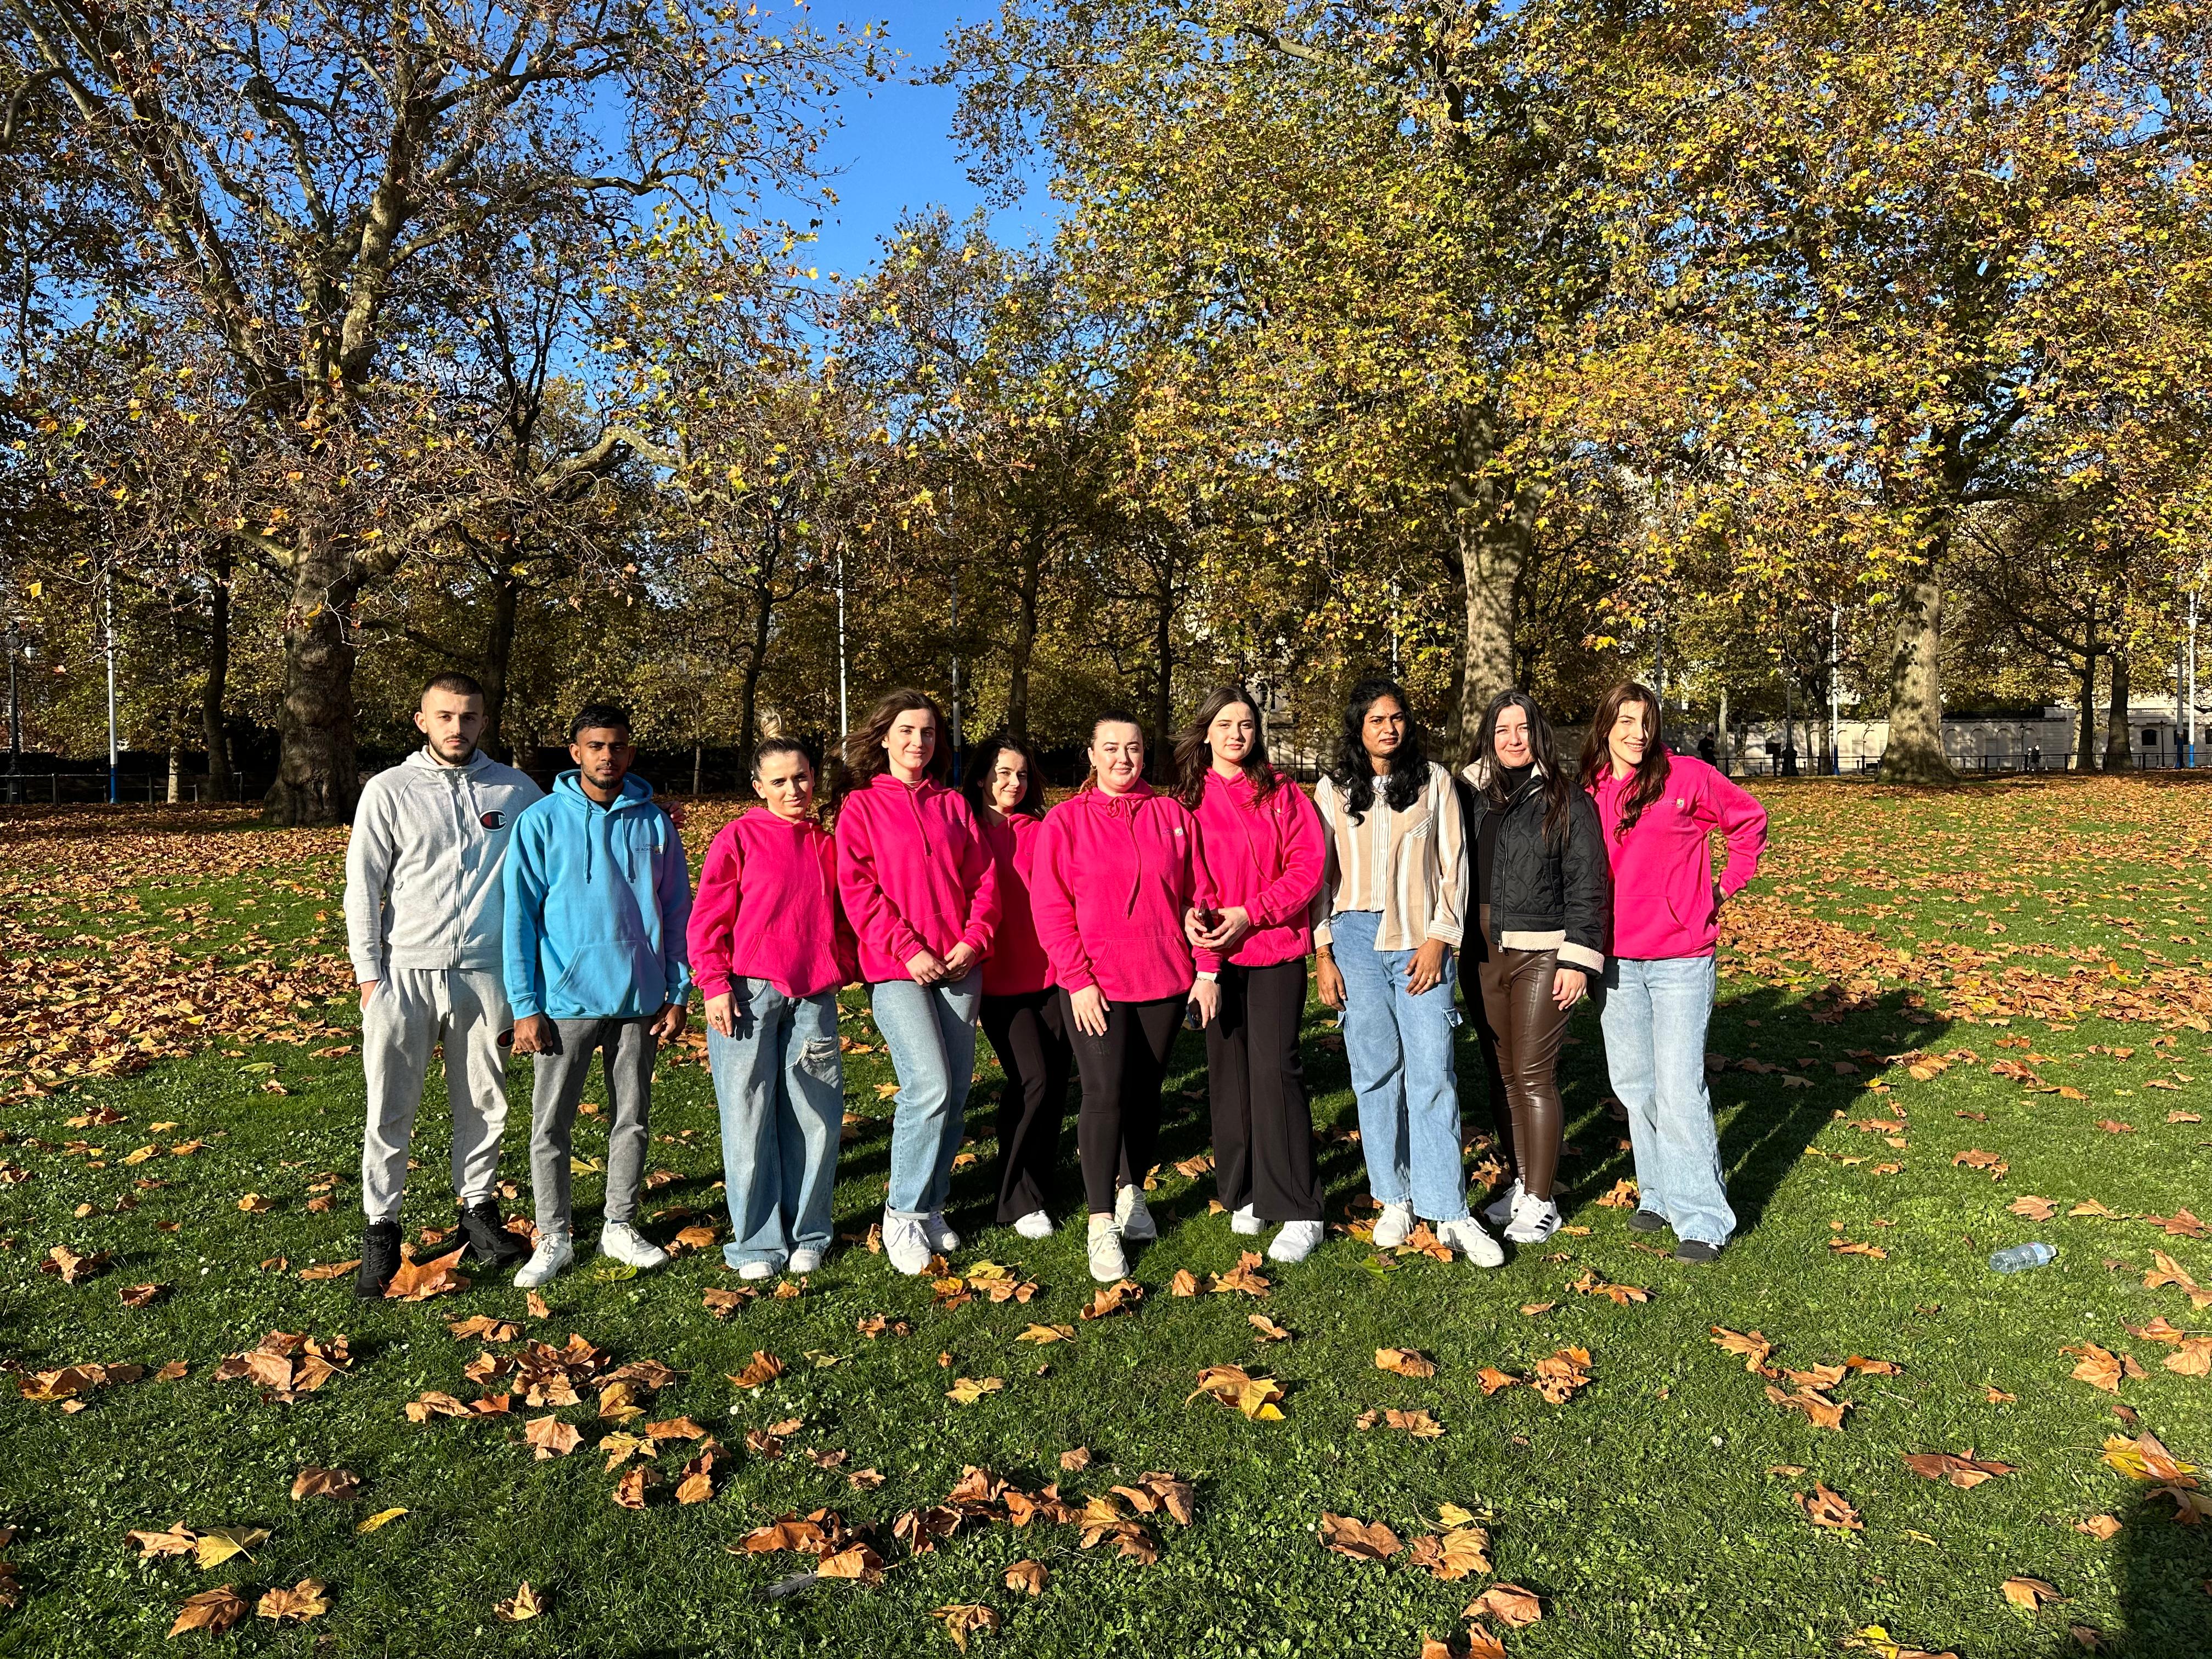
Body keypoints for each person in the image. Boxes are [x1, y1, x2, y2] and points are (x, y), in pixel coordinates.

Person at [344, 672, 543, 1297]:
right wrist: (370, 974)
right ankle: (383, 1228)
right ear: (422, 720)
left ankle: (478, 1210)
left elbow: (569, 832)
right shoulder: (389, 790)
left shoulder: (515, 790)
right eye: (446, 716)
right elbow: (362, 885)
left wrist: (651, 809)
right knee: (390, 1106)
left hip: (486, 973)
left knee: (485, 1100)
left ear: (485, 721)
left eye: (471, 716)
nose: (459, 727)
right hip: (404, 973)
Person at [1313, 679, 1500, 1267]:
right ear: (1358, 727)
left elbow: (1455, 868)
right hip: (1354, 942)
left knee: (1433, 1070)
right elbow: (1318, 878)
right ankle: (1394, 1197)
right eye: (1376, 720)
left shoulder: (1435, 782)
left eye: (1396, 718)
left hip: (1419, 939)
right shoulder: (1332, 790)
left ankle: (1448, 1207)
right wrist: (1322, 952)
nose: (1388, 728)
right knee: (1374, 1072)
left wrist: (1440, 939)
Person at [504, 704, 692, 1288]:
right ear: (575, 753)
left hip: (641, 997)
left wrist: (678, 989)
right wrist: (525, 1004)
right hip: (564, 1001)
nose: (606, 756)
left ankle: (619, 1224)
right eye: (594, 746)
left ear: (629, 754)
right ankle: (554, 1235)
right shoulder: (539, 822)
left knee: (630, 1118)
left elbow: (677, 910)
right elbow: (519, 919)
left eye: (616, 746)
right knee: (550, 1125)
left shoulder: (654, 824)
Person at [1031, 712, 1221, 1282]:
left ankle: (1133, 1190)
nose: (1123, 758)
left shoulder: (1173, 817)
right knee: (1104, 1093)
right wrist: (1078, 978)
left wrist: (1207, 968)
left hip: (1162, 980)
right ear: (1091, 754)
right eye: (1110, 748)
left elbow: (1203, 895)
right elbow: (1051, 908)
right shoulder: (1065, 823)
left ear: (1146, 754)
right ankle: (1098, 1221)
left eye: (1134, 748)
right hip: (1095, 986)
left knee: (1143, 1095)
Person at [1581, 682, 1767, 1262]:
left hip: (1682, 957)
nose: (1637, 734)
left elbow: (1750, 820)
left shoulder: (1686, 777)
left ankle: (1704, 1217)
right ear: (1606, 726)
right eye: (1626, 721)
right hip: (1615, 959)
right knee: (1635, 1085)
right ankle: (1658, 1192)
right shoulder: (1588, 790)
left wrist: (1722, 889)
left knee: (1680, 1086)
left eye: (1646, 722)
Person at [836, 689, 1000, 1276]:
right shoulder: (860, 807)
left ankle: (932, 1206)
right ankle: (901, 1213)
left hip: (959, 964)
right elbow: (859, 891)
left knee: (955, 1092)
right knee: (927, 1086)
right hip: (897, 968)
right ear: (883, 738)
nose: (918, 743)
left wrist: (971, 942)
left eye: (929, 733)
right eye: (907, 731)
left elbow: (984, 881)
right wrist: (908, 951)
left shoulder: (954, 806)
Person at [688, 737, 856, 1280]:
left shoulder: (827, 844)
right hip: (746, 994)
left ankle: (809, 1231)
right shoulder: (738, 837)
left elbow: (845, 913)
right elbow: (708, 917)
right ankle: (757, 1243)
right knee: (747, 1117)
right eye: (780, 781)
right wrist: (714, 982)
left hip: (813, 996)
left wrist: (842, 964)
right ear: (759, 787)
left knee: (816, 1116)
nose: (793, 790)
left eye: (802, 778)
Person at [1175, 687, 1328, 1263]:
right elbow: (1190, 878)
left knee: (1276, 1073)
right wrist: (1201, 929)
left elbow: (1308, 867)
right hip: (1215, 958)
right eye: (1226, 724)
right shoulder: (1187, 800)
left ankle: (1298, 1205)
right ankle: (1245, 1191)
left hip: (1273, 949)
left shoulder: (1282, 793)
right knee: (1230, 1077)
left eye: (1247, 725)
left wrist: (1251, 914)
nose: (1237, 734)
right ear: (1207, 731)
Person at [1462, 690, 1609, 1246]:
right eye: (1501, 730)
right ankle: (1522, 1185)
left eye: (1522, 728)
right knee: (1502, 1077)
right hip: (1481, 956)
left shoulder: (1566, 799)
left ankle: (1544, 1201)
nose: (1513, 739)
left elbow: (1588, 884)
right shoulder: (1476, 798)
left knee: (1532, 1074)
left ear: (1539, 733)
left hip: (1543, 952)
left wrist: (1578, 958)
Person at [962, 733, 1073, 1242]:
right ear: (983, 775)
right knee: (1035, 1079)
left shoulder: (1044, 829)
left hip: (1055, 973)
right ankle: (1015, 1199)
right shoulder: (962, 828)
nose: (1013, 782)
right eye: (1004, 772)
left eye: (1022, 774)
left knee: (1052, 1082)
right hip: (997, 977)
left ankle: (1036, 1181)